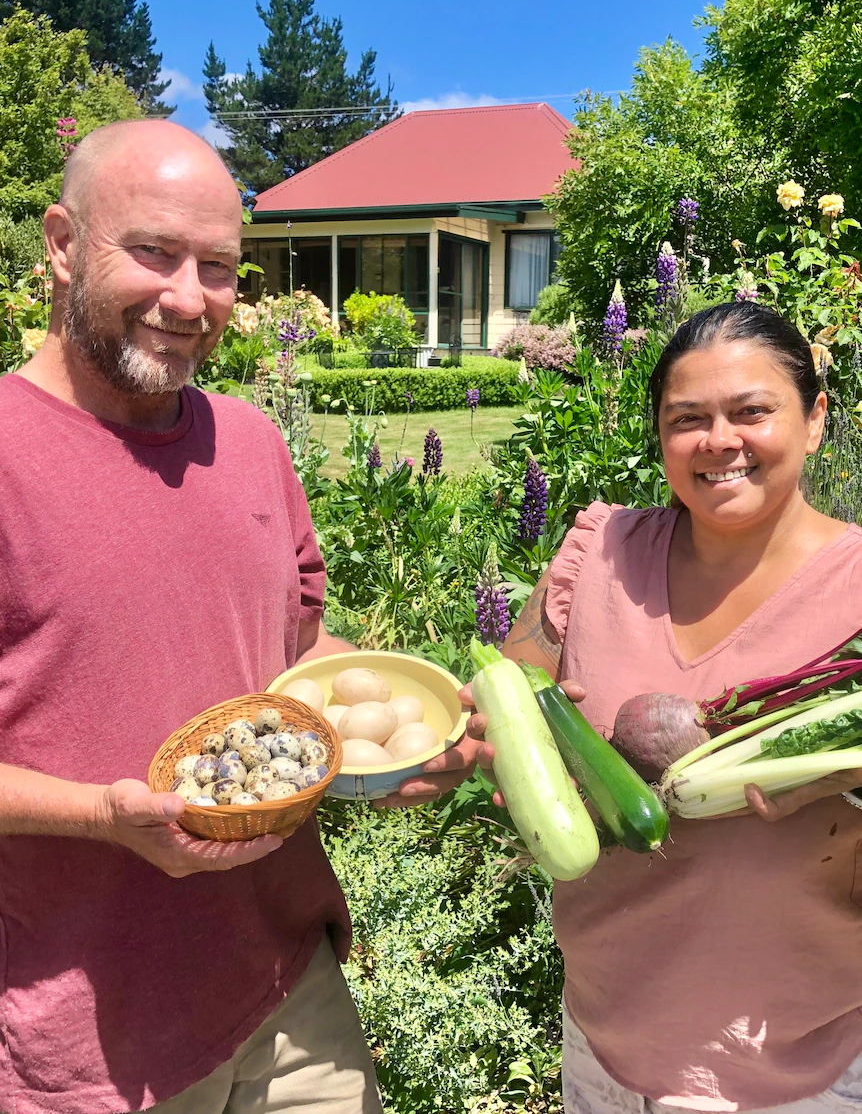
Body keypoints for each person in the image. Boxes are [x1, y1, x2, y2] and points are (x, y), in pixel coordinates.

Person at [388, 302, 862, 1114]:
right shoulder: (601, 550)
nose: (720, 440)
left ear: (816, 419)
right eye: (687, 419)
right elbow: (500, 703)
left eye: (752, 411)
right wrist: (474, 748)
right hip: (604, 1037)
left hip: (797, 1066)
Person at [0, 120, 382, 1114]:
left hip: (284, 982)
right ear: (60, 244)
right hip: (80, 1041)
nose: (189, 298)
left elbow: (293, 649)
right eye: (155, 253)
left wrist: (398, 727)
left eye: (219, 266)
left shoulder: (249, 442)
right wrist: (107, 818)